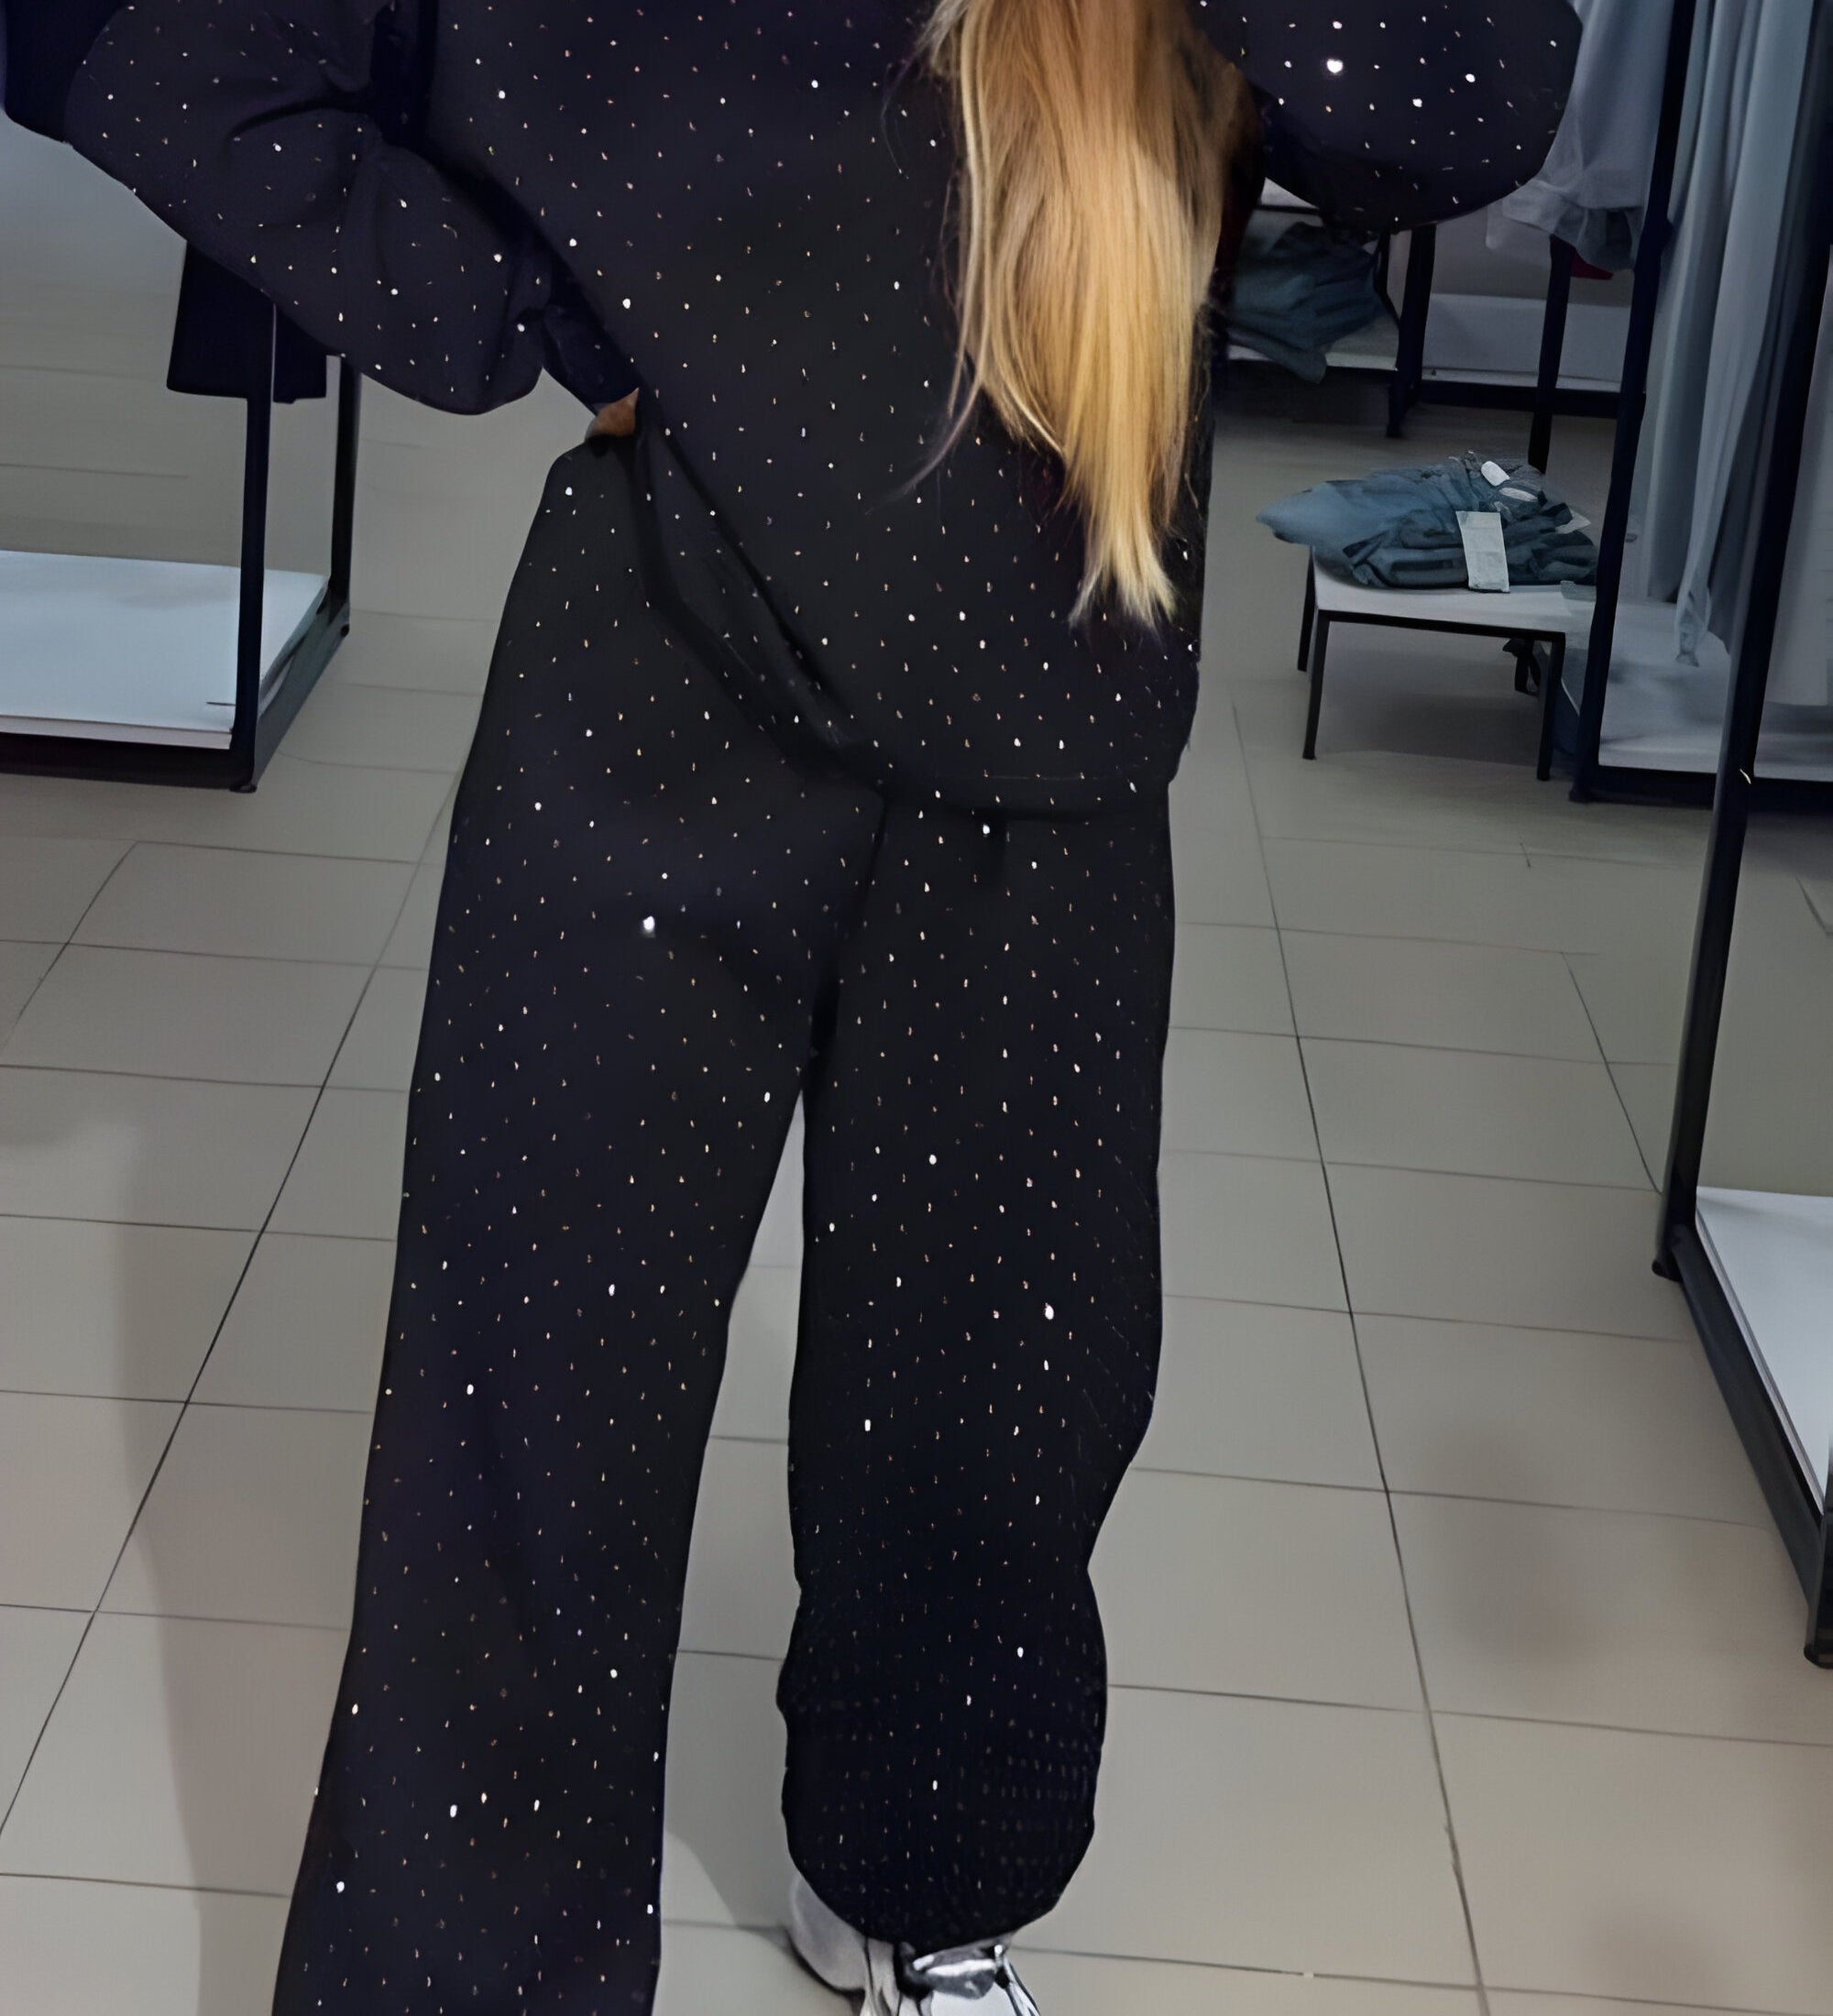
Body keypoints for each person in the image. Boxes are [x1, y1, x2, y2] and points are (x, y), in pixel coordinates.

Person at [57, 3, 1577, 2011]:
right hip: (657, 658)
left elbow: (1462, 105)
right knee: (533, 1397)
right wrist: (540, 316)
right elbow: (174, 68)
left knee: (998, 1391)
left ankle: (916, 1878)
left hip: (1049, 691)